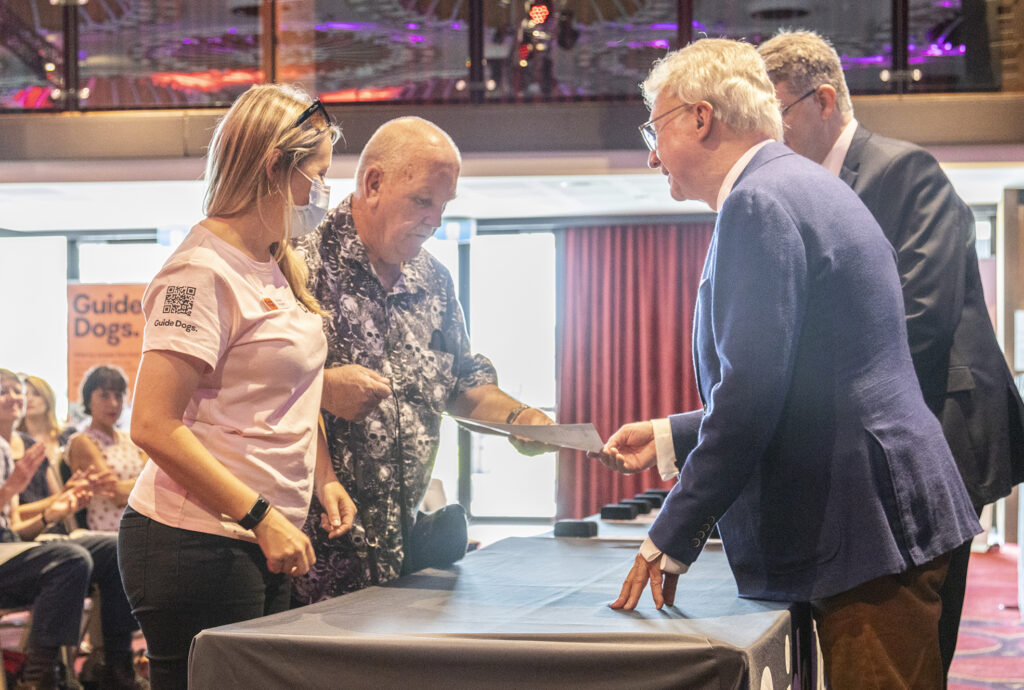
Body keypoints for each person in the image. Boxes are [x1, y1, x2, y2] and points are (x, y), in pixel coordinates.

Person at [595, 38, 981, 689]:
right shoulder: (802, 183)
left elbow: (751, 393)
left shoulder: (759, 202)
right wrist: (671, 435)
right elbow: (809, 377)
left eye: (654, 128)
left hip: (864, 529)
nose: (652, 153)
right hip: (880, 517)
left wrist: (671, 533)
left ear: (700, 116)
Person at [757, 30, 1024, 678]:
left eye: (776, 117)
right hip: (877, 450)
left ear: (823, 102)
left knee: (916, 643)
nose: (767, 138)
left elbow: (917, 321)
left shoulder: (903, 170)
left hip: (944, 437)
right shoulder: (800, 190)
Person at [119, 84, 357, 690]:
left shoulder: (273, 260)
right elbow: (151, 425)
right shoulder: (199, 272)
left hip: (254, 535)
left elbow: (294, 389)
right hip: (194, 542)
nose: (322, 193)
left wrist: (323, 477)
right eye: (318, 174)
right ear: (276, 167)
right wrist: (259, 516)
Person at [292, 116, 556, 604]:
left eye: (443, 205)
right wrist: (324, 387)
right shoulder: (299, 261)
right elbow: (251, 385)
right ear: (373, 183)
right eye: (422, 201)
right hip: (311, 560)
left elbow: (459, 382)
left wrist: (521, 419)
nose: (435, 219)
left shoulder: (433, 279)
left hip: (402, 556)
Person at [0, 370, 142, 690]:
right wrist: (12, 492)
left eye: (16, 390)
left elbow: (16, 530)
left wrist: (53, 511)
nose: (13, 397)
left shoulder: (10, 449)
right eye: (2, 391)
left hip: (14, 545)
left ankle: (114, 665)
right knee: (69, 557)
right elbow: (118, 491)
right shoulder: (78, 440)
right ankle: (39, 677)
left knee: (114, 549)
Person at [66, 366, 148, 532]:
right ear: (88, 399)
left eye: (118, 396)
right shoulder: (82, 441)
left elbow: (155, 482)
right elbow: (116, 495)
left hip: (143, 522)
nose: (113, 403)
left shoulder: (131, 438)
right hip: (110, 529)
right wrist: (143, 486)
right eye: (104, 396)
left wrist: (132, 487)